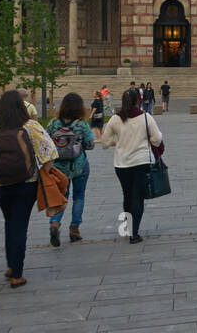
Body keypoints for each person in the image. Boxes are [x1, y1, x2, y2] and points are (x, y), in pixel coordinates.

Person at [0, 89, 58, 288]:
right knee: (19, 225)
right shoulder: (31, 126)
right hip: (26, 184)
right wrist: (45, 172)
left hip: (1, 186)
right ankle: (16, 274)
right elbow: (50, 153)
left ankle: (11, 265)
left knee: (9, 222)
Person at [101, 88, 164, 244]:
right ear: (138, 100)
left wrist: (119, 142)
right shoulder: (145, 117)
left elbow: (105, 142)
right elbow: (157, 139)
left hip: (121, 164)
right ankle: (134, 234)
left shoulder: (115, 119)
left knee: (127, 196)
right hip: (141, 162)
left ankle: (127, 228)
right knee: (138, 197)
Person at [46, 93, 95, 245]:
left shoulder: (53, 123)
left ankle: (55, 222)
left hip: (59, 167)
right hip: (79, 165)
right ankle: (74, 229)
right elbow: (90, 144)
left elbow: (46, 143)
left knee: (61, 195)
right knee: (79, 196)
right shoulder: (81, 124)